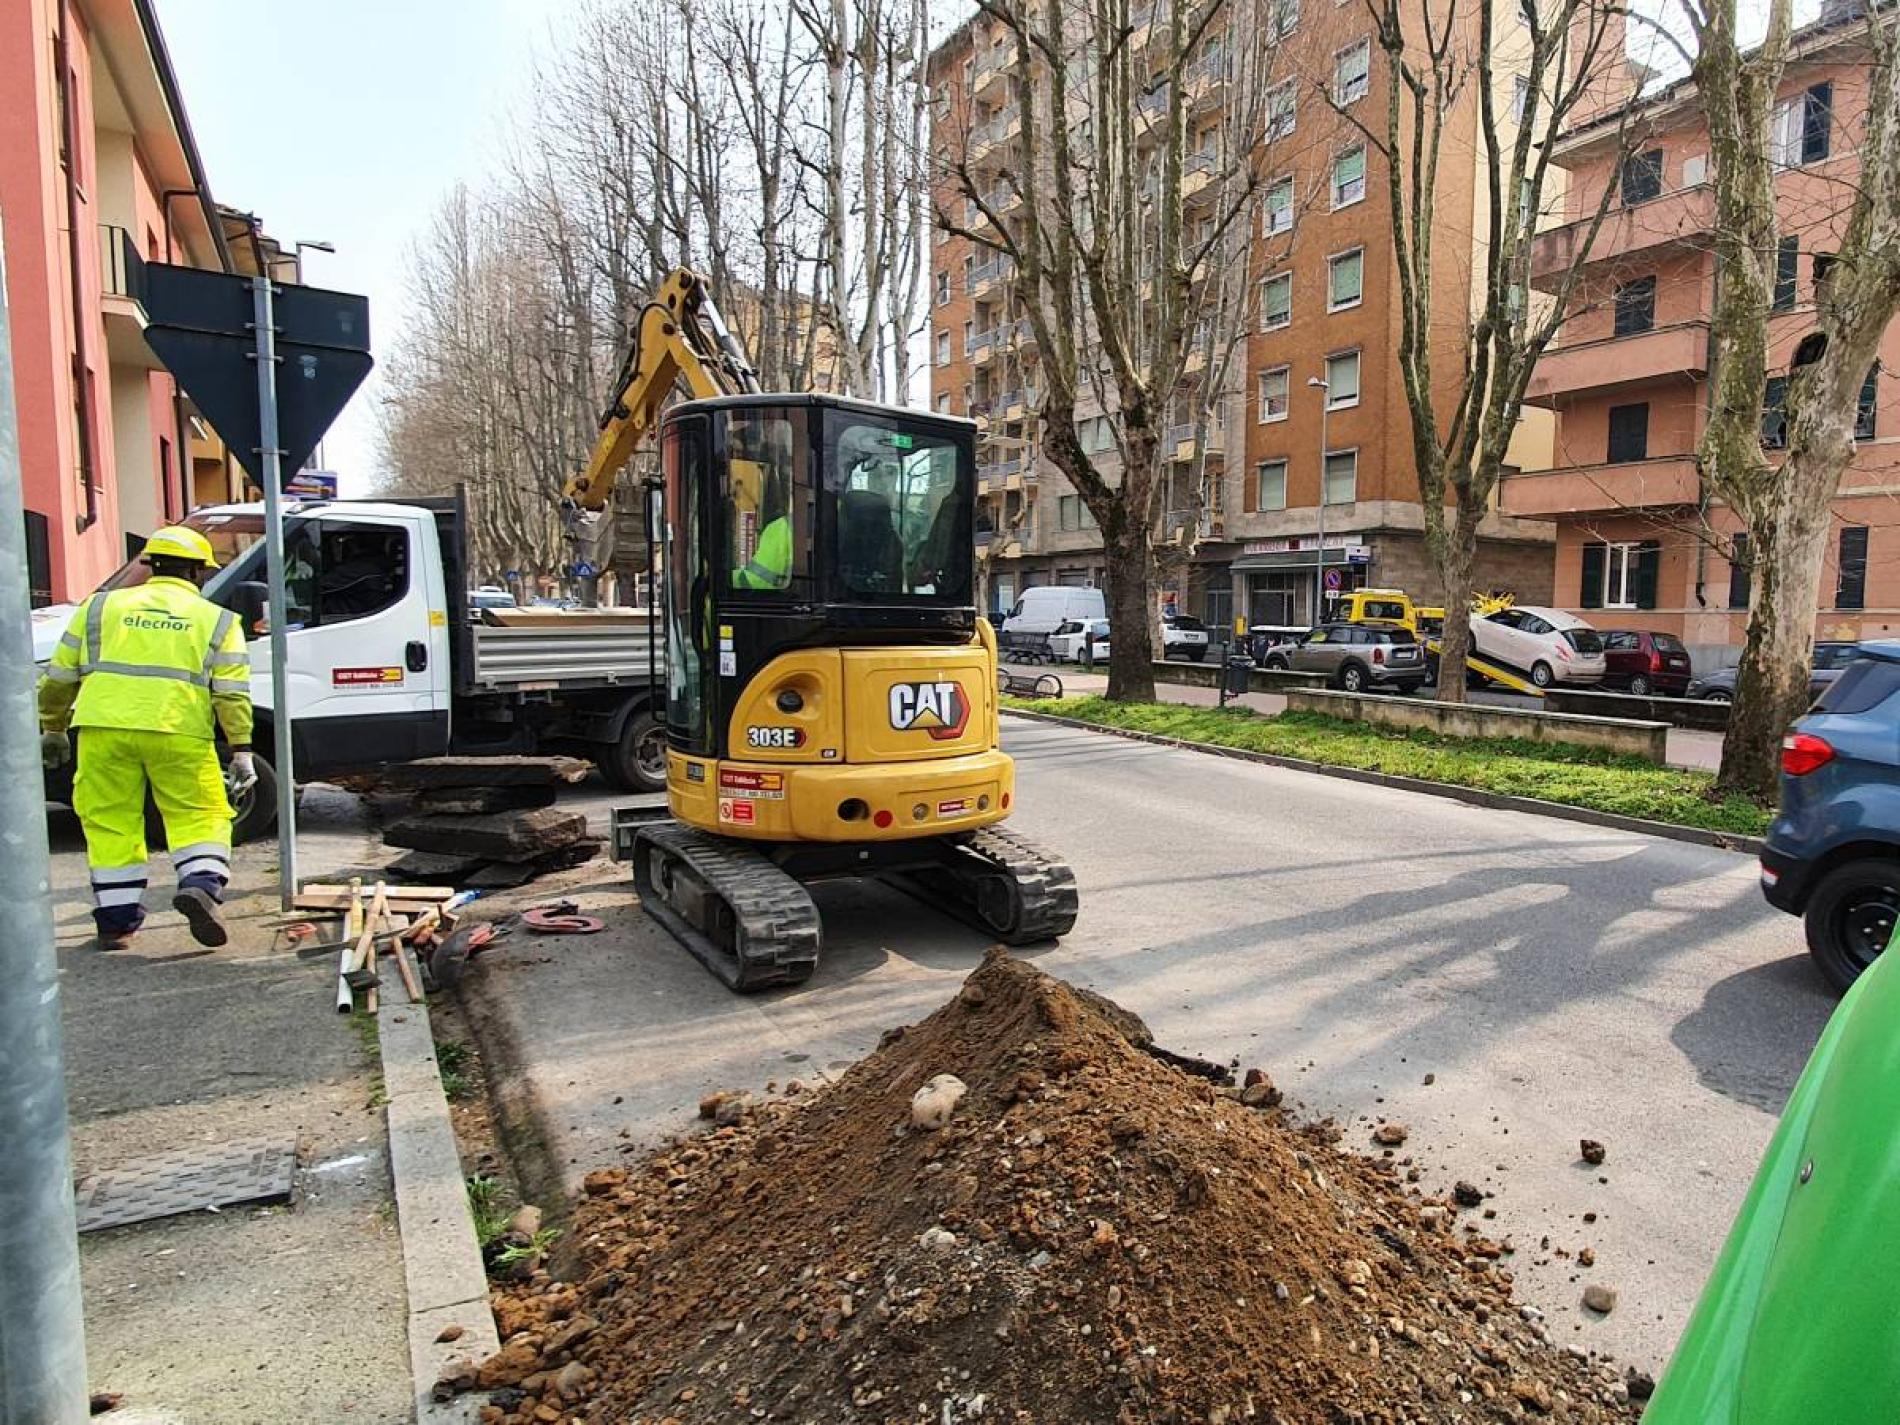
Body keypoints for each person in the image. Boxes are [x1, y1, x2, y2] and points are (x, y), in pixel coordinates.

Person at [37, 526, 256, 950]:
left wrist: (52, 727)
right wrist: (242, 748)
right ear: (198, 572)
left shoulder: (99, 609)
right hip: (179, 731)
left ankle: (116, 923)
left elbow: (58, 678)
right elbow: (231, 695)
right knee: (199, 813)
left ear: (151, 565)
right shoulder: (218, 620)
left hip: (104, 729)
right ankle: (201, 885)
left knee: (110, 822)